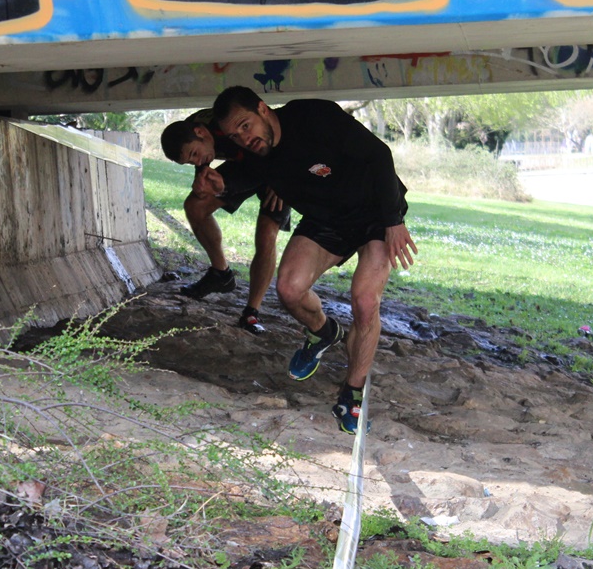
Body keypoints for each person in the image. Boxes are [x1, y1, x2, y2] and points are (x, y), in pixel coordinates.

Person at [212, 86, 417, 434]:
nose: (244, 139)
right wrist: (219, 182)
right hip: (328, 221)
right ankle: (323, 333)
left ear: (263, 109)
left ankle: (351, 394)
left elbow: (379, 155)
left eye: (245, 126)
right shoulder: (258, 154)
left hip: (375, 213)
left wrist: (393, 219)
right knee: (288, 288)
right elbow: (241, 176)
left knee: (365, 302)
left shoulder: (313, 116)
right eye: (235, 135)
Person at [160, 109, 291, 334]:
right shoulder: (193, 130)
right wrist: (201, 186)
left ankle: (252, 311)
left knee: (266, 233)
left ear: (201, 133)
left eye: (194, 154)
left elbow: (278, 140)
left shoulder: (228, 123)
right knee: (194, 205)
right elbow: (205, 175)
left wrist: (285, 180)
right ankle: (221, 274)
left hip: (277, 165)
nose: (197, 161)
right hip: (244, 166)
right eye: (190, 161)